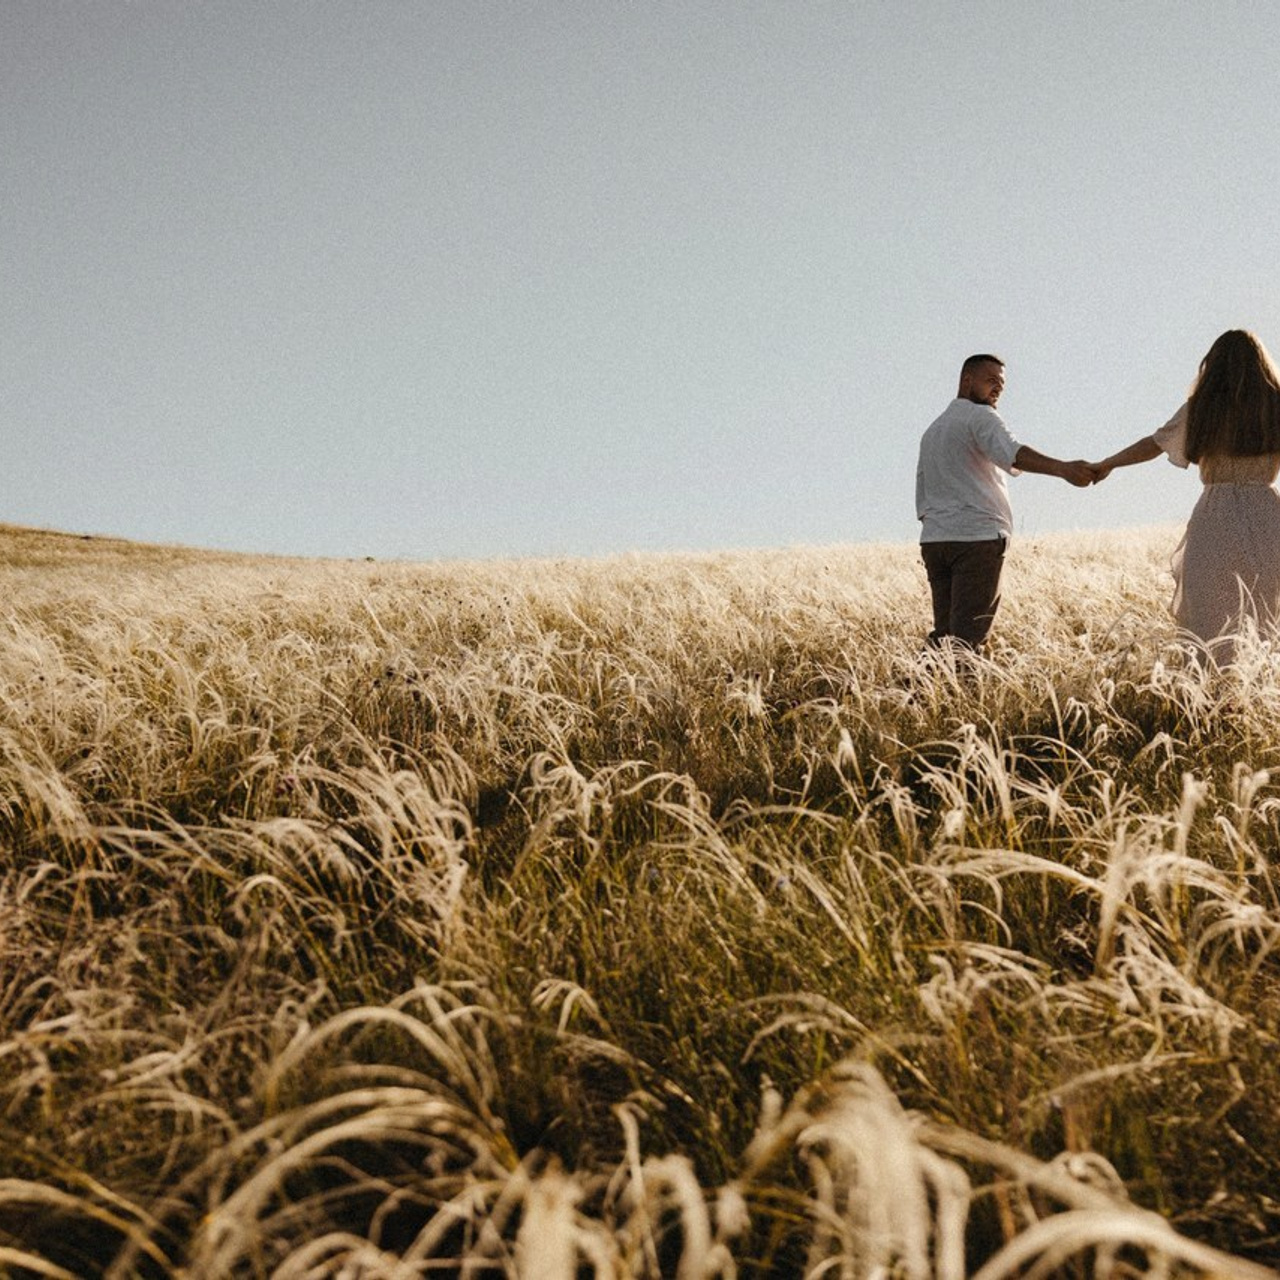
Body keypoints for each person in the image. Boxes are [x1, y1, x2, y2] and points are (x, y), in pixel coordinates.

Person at [1092, 329, 1280, 661]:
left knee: (1209, 612)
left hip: (1215, 516)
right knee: (1265, 610)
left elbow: (1153, 443)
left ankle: (1212, 695)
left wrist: (1107, 464)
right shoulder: (1275, 405)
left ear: (1213, 365)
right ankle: (1257, 692)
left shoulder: (1202, 407)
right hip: (1267, 516)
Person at [916, 353, 1096, 652]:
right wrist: (1064, 469)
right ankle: (959, 697)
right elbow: (1013, 453)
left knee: (944, 635)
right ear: (966, 380)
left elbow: (922, 491)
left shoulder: (933, 430)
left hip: (935, 541)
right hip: (977, 540)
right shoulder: (980, 416)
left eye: (1001, 384)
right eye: (991, 381)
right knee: (967, 640)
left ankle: (920, 695)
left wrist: (935, 523)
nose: (998, 389)